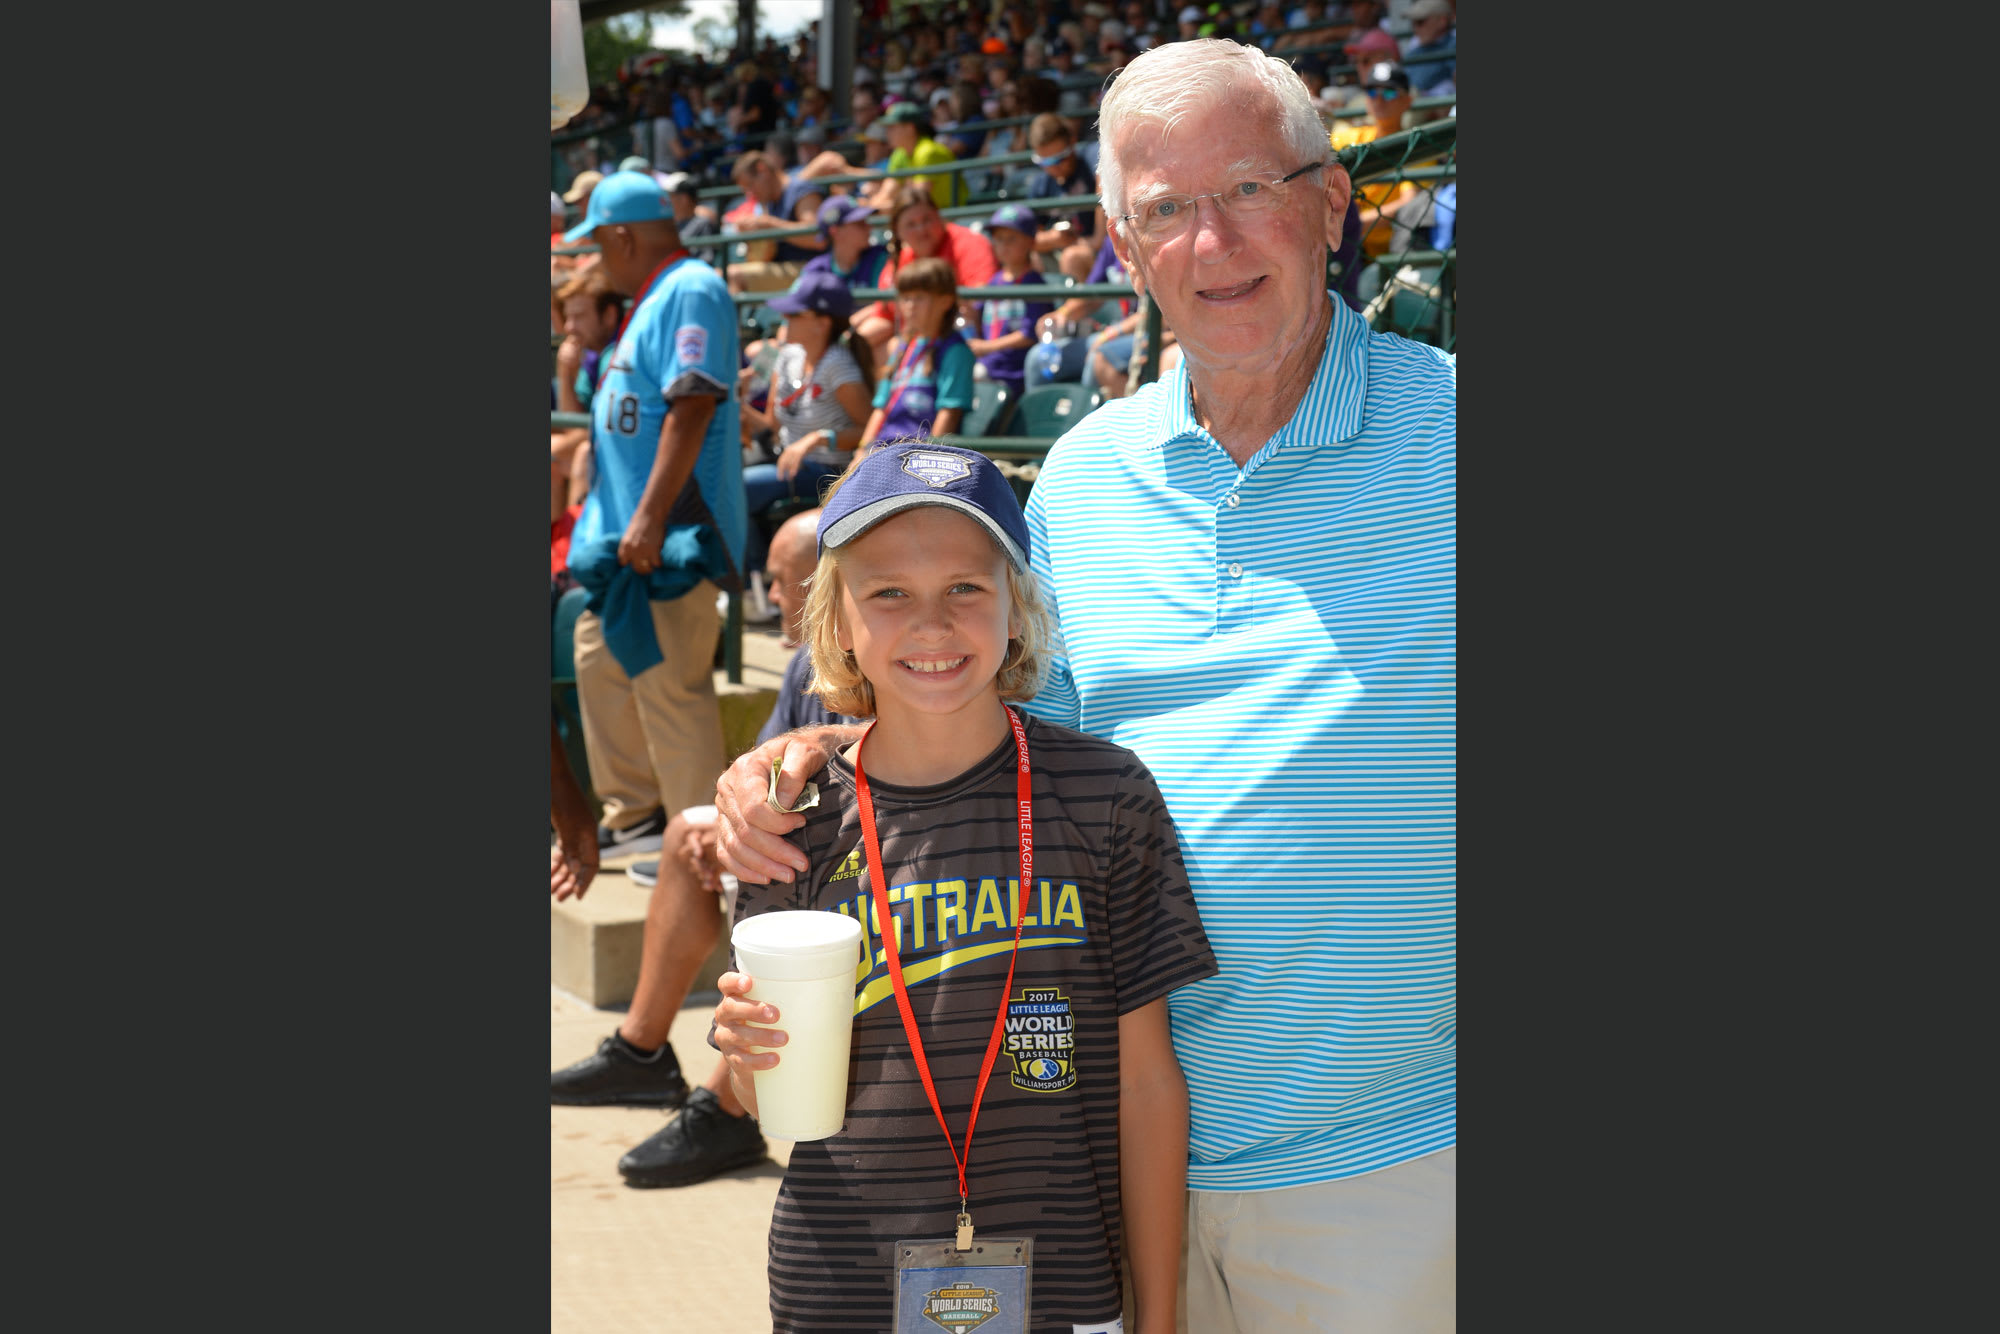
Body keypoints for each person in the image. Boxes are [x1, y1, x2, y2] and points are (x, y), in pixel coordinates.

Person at [715, 37, 1456, 1332]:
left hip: (1382, 1180)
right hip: (1083, 1171)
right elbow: (988, 742)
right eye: (1167, 207)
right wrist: (796, 759)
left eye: (1249, 189)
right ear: (1121, 240)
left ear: (1332, 204)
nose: (1212, 241)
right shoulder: (1087, 480)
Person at [712, 443, 1217, 1332]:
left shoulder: (1108, 795)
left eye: (966, 589)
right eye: (890, 594)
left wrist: (1162, 1313)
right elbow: (765, 1099)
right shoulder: (791, 815)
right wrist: (746, 1057)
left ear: (1018, 610)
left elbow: (1146, 1082)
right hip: (842, 1286)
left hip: (1061, 1287)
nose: (932, 625)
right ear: (837, 626)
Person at [552, 509, 862, 1189]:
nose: (770, 599)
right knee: (685, 833)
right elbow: (764, 768)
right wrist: (729, 828)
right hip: (806, 849)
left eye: (782, 584)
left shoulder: (912, 664)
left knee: (771, 880)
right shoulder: (808, 664)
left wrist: (750, 840)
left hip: (871, 874)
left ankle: (726, 1108)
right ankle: (642, 1050)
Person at [558, 170, 747, 868]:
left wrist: (648, 517)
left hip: (671, 536)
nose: (594, 259)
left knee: (672, 689)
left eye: (597, 244)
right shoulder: (649, 298)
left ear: (622, 235)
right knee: (598, 660)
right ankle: (636, 815)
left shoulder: (690, 287)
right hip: (624, 543)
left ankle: (703, 845)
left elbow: (692, 403)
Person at [736, 272, 877, 575]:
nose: (784, 316)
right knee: (720, 476)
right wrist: (738, 405)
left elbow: (870, 431)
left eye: (795, 312)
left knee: (739, 488)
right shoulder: (786, 357)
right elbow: (770, 425)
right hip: (785, 461)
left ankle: (756, 583)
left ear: (822, 322)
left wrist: (817, 438)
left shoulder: (838, 365)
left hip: (826, 470)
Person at [855, 184, 998, 351]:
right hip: (913, 338)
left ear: (939, 217)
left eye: (927, 220)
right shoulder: (902, 257)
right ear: (898, 231)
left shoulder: (969, 243)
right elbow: (884, 315)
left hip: (961, 339)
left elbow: (978, 302)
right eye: (911, 224)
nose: (921, 230)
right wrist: (848, 344)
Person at [858, 258, 973, 446]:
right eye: (905, 298)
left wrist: (925, 457)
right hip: (881, 450)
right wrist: (861, 451)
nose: (910, 306)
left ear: (945, 301)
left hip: (917, 454)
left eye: (919, 298)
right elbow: (881, 409)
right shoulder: (902, 347)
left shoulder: (955, 351)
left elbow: (949, 414)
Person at [551, 265, 624, 551]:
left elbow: (601, 427)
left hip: (623, 456)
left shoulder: (618, 354)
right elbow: (575, 422)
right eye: (567, 317)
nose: (569, 327)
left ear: (608, 316)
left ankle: (569, 556)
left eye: (579, 316)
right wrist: (566, 374)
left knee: (569, 452)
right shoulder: (592, 355)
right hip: (598, 446)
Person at [963, 204, 1055, 407]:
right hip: (989, 364)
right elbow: (976, 317)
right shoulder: (994, 280)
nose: (1003, 245)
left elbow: (1030, 334)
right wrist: (966, 308)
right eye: (998, 239)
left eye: (1011, 239)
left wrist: (987, 347)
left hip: (1014, 370)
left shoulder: (1033, 282)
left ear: (1030, 243)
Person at [725, 148, 827, 295]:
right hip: (783, 267)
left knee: (733, 275)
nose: (750, 194)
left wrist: (769, 224)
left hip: (811, 267)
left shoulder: (801, 190)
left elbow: (818, 239)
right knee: (716, 274)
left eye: (751, 186)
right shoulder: (770, 202)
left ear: (762, 169)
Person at [1021, 112, 1103, 281]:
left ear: (1072, 142)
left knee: (1072, 257)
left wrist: (1097, 239)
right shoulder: (1041, 184)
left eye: (1060, 158)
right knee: (1029, 256)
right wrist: (1053, 238)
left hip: (1098, 249)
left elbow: (1104, 173)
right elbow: (1027, 237)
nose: (1054, 167)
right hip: (1061, 249)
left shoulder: (1088, 157)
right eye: (1045, 162)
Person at [872, 100, 960, 210]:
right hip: (925, 219)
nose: (887, 133)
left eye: (892, 127)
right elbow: (885, 194)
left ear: (910, 128)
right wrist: (870, 205)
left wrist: (876, 207)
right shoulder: (900, 153)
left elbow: (915, 202)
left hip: (951, 218)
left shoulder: (929, 152)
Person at [797, 196, 893, 295]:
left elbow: (884, 307)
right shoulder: (816, 269)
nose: (869, 227)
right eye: (860, 223)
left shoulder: (881, 257)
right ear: (835, 231)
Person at [1400, 0, 1456, 96]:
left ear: (1442, 21)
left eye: (1420, 22)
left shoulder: (1453, 45)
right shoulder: (1413, 53)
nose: (1415, 29)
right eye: (1413, 23)